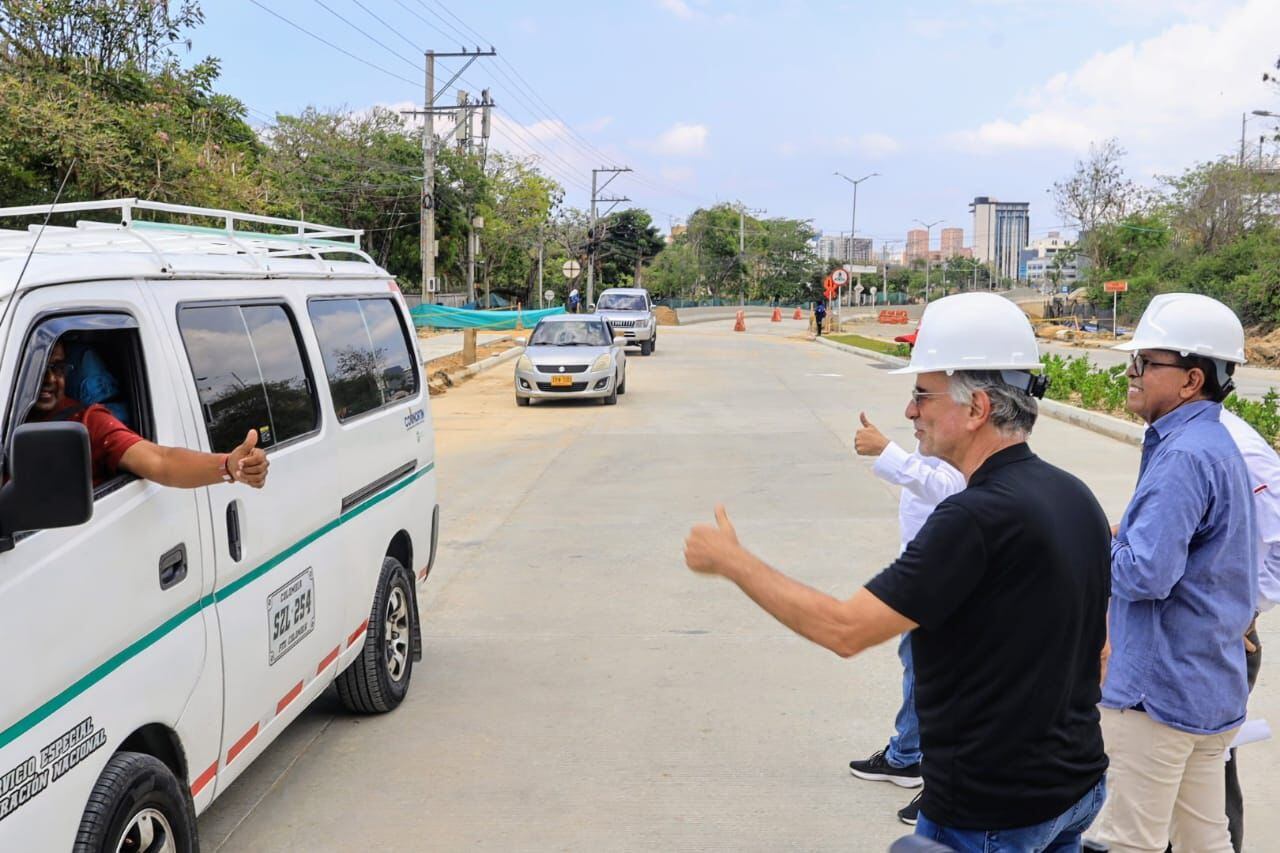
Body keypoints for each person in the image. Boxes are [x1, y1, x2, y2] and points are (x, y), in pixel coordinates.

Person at [684, 292, 1110, 850]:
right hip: (1074, 789)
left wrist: (734, 562)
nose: (910, 412)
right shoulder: (1074, 495)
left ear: (977, 407)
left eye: (921, 395)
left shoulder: (973, 517)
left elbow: (844, 629)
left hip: (989, 812)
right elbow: (1100, 653)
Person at [1090, 293, 1255, 853]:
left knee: (1127, 841)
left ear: (1190, 380)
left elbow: (1145, 575)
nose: (1130, 374)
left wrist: (1094, 543)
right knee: (1203, 839)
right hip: (1206, 686)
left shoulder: (1185, 455)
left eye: (1144, 363)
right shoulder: (1213, 443)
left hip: (1157, 695)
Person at [848, 407, 964, 827]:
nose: (910, 409)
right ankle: (906, 756)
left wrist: (887, 452)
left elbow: (952, 488)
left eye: (923, 392)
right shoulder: (946, 424)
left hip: (947, 577)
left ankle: (941, 789)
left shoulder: (969, 431)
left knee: (942, 683)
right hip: (928, 572)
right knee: (918, 669)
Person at [26, 340, 269, 489]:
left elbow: (162, 461)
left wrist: (228, 465)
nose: (49, 379)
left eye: (57, 368)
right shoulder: (10, 418)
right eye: (36, 369)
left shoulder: (88, 422)